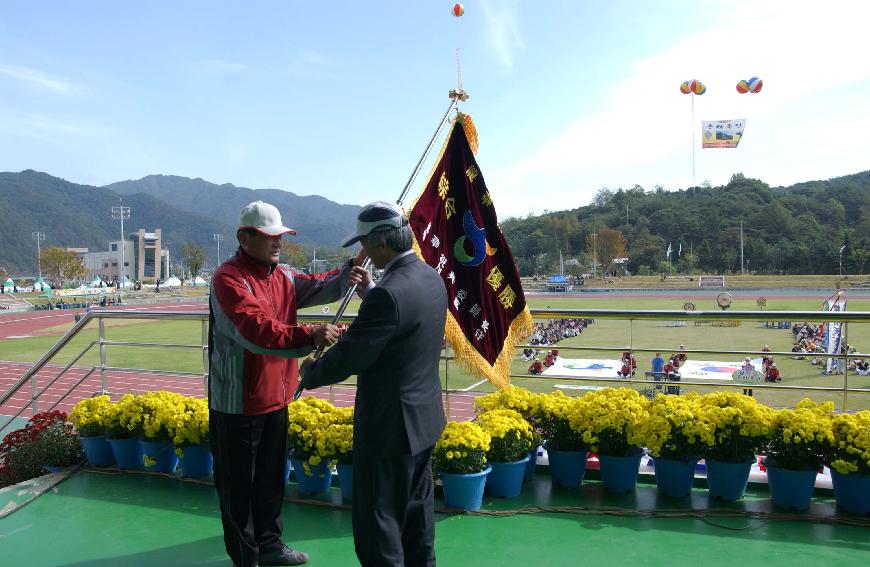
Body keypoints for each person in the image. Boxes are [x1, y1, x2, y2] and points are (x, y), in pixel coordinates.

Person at [209, 200, 364, 567]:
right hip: (237, 406)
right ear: (244, 238)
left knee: (270, 483)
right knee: (238, 492)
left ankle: (271, 545)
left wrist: (349, 271)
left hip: (277, 401)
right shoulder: (227, 279)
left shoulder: (284, 276)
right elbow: (255, 330)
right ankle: (246, 559)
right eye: (269, 237)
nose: (278, 243)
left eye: (280, 236)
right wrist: (310, 335)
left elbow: (321, 285)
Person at [300, 201, 448, 566]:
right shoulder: (430, 277)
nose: (362, 253)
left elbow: (354, 354)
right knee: (416, 519)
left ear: (382, 242)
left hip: (388, 430)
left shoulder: (388, 293)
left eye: (364, 243)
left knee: (378, 525)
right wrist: (371, 292)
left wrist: (311, 371)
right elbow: (399, 323)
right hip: (423, 423)